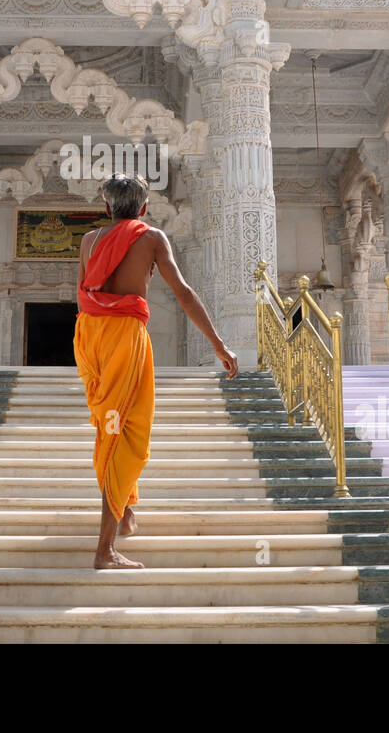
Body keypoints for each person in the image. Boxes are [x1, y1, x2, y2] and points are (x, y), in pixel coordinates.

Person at [73, 172, 239, 570]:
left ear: (106, 208)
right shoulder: (150, 238)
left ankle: (125, 508)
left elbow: (80, 295)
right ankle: (104, 551)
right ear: (144, 208)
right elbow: (183, 292)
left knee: (109, 424)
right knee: (124, 431)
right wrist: (218, 344)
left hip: (89, 336)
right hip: (124, 337)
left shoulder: (88, 240)